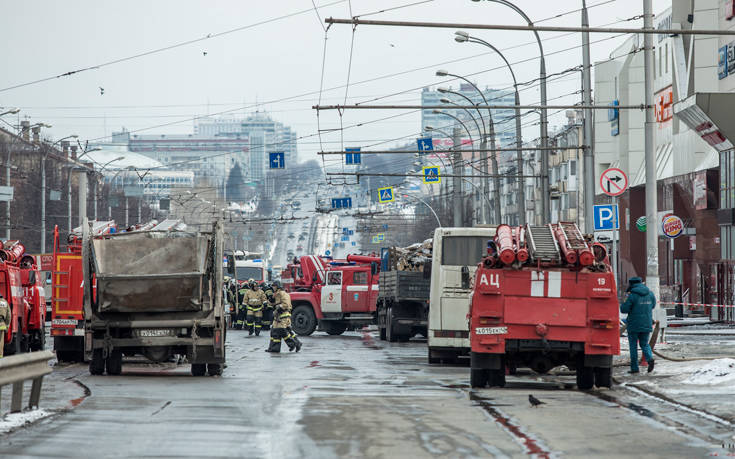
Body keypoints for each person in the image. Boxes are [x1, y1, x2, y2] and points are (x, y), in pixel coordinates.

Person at [620, 277, 655, 373]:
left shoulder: (632, 296)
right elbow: (653, 305)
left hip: (634, 324)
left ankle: (634, 368)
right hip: (647, 323)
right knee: (644, 343)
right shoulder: (650, 294)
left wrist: (624, 301)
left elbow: (624, 309)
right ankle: (650, 358)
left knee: (633, 346)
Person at [266, 280, 301, 353]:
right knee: (274, 332)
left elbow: (286, 304)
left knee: (281, 330)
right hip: (278, 316)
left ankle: (294, 344)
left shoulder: (283, 293)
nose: (273, 287)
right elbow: (273, 304)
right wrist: (270, 300)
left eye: (274, 286)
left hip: (283, 315)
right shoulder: (276, 294)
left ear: (278, 286)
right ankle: (274, 348)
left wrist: (279, 309)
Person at [0, 294, 9, 358]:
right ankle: (0, 355)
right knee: (1, 341)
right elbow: (9, 316)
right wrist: (7, 325)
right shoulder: (5, 302)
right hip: (2, 323)